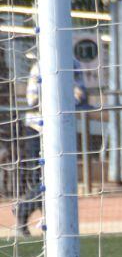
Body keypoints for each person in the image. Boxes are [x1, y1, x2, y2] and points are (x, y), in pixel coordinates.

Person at [16, 56, 88, 237]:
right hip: (36, 128)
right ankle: (26, 212)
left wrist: (68, 101)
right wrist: (57, 102)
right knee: (40, 178)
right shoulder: (39, 66)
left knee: (58, 176)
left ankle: (33, 216)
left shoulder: (73, 63)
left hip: (62, 129)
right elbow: (32, 100)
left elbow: (81, 93)